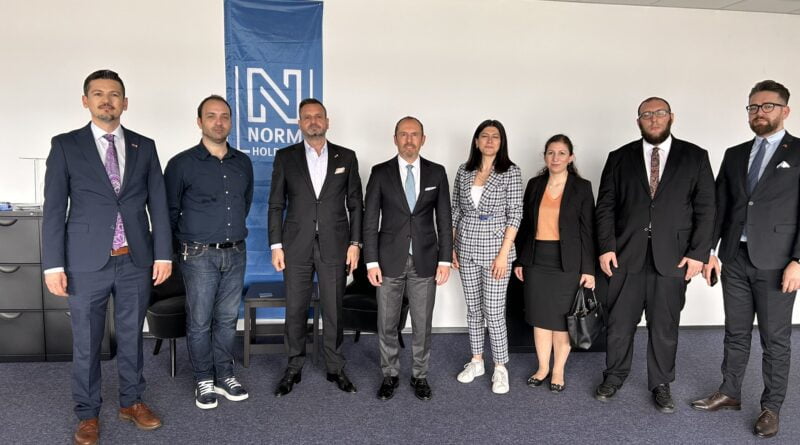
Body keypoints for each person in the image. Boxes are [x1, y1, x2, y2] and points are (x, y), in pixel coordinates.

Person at [42, 69, 172, 445]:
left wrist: (163, 254)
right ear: (86, 101)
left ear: (125, 103)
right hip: (85, 263)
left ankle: (131, 402)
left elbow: (158, 205)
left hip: (135, 260)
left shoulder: (144, 146)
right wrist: (53, 265)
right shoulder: (66, 145)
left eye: (114, 94)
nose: (106, 100)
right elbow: (54, 209)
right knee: (87, 342)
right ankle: (87, 414)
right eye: (98, 94)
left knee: (132, 336)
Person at [691, 80, 799, 439]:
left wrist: (798, 261)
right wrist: (709, 252)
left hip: (777, 262)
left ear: (785, 110)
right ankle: (730, 392)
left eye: (767, 106)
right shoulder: (735, 154)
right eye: (753, 107)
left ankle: (771, 407)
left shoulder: (799, 152)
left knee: (775, 339)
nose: (758, 113)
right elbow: (720, 206)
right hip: (734, 258)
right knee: (735, 331)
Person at [594, 97, 715, 413]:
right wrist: (606, 247)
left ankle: (660, 384)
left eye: (660, 113)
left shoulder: (695, 156)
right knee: (619, 323)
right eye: (646, 114)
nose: (654, 118)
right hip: (625, 256)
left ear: (671, 117)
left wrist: (698, 254)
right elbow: (605, 206)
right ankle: (614, 376)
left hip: (673, 258)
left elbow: (706, 208)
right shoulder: (619, 157)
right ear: (638, 122)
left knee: (664, 325)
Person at [268, 98, 363, 396]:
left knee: (333, 309)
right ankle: (293, 365)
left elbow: (356, 205)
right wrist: (276, 245)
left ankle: (335, 366)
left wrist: (355, 243)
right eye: (307, 117)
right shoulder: (286, 157)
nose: (313, 121)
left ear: (327, 121)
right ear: (299, 123)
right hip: (295, 246)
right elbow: (275, 204)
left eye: (318, 116)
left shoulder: (347, 157)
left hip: (336, 245)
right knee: (296, 308)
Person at [164, 95, 254, 409]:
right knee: (200, 321)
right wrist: (173, 253)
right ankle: (203, 378)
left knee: (228, 319)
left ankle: (224, 374)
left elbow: (245, 202)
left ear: (231, 122)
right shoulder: (181, 164)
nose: (219, 122)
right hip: (198, 254)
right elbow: (169, 211)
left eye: (224, 116)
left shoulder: (242, 162)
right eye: (211, 116)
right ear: (199, 121)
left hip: (236, 252)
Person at [363, 116, 453, 401]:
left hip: (426, 260)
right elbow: (370, 220)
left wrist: (445, 260)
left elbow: (444, 219)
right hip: (388, 260)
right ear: (395, 138)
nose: (409, 139)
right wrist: (371, 262)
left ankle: (419, 375)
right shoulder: (380, 173)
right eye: (403, 134)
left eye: (415, 134)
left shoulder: (437, 173)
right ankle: (389, 374)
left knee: (422, 323)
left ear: (423, 139)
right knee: (387, 322)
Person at [512, 134, 595, 393]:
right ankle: (542, 368)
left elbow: (587, 231)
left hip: (567, 262)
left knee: (561, 322)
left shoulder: (582, 187)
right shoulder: (535, 184)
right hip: (537, 260)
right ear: (545, 156)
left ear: (570, 157)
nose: (555, 158)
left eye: (561, 153)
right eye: (550, 153)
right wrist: (521, 259)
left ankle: (558, 369)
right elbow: (525, 226)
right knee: (540, 318)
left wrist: (588, 269)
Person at [451, 119, 522, 394]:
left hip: (496, 249)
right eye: (484, 136)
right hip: (467, 244)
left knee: (493, 311)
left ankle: (500, 367)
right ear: (477, 141)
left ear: (501, 142)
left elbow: (515, 214)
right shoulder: (464, 170)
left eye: (495, 136)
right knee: (473, 309)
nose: (490, 140)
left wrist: (504, 255)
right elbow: (456, 209)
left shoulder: (510, 172)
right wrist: (452, 246)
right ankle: (477, 360)